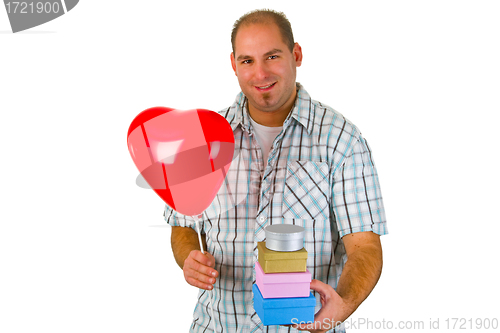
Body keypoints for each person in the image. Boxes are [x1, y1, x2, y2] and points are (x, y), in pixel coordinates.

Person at [165, 9, 388, 333]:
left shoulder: (342, 140)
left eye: (272, 56)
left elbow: (365, 247)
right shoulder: (203, 138)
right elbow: (183, 226)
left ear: (296, 54)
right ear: (233, 64)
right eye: (247, 61)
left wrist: (344, 303)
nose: (260, 73)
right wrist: (189, 257)